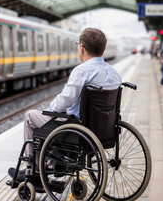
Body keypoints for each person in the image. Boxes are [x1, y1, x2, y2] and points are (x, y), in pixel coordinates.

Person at [8, 28, 122, 182]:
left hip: (77, 127)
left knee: (30, 117)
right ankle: (53, 162)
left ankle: (33, 170)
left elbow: (66, 100)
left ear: (81, 48)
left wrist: (49, 111)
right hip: (104, 129)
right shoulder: (114, 73)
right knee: (53, 118)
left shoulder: (82, 71)